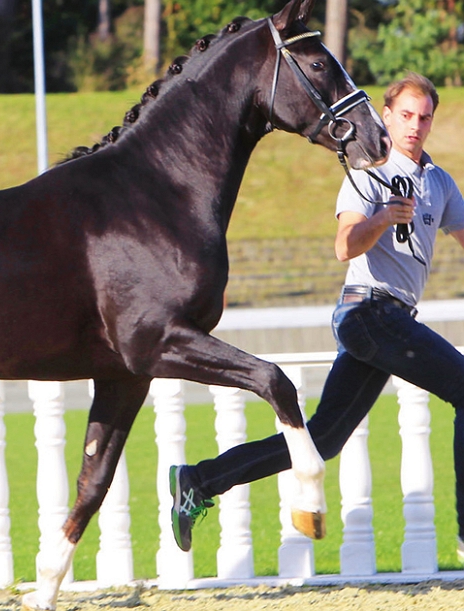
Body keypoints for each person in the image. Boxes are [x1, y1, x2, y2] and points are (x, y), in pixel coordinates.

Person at [170, 72, 464, 559]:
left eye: (425, 117)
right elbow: (343, 246)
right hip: (367, 311)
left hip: (389, 320)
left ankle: (199, 481)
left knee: (323, 438)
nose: (415, 126)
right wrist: (381, 218)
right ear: (386, 116)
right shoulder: (367, 173)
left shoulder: (439, 183)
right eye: (406, 115)